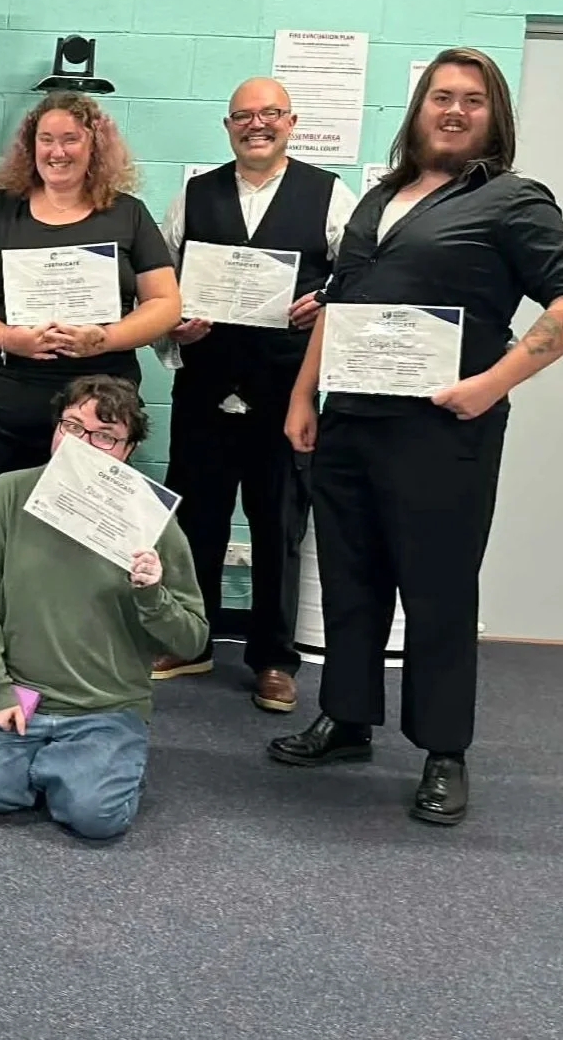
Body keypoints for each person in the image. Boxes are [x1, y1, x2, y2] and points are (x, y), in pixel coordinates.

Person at [269, 47, 563, 825]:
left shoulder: (513, 201)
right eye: (441, 96)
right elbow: (340, 301)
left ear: (495, 118)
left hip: (443, 430)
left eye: (473, 101)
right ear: (418, 108)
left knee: (438, 591)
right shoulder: (378, 199)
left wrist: (492, 384)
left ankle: (444, 750)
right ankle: (347, 718)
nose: (454, 110)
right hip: (350, 422)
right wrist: (301, 393)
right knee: (351, 580)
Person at [0, 91, 181, 717]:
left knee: (85, 537)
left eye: (71, 138)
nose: (58, 151)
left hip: (97, 403)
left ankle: (80, 670)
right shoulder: (2, 210)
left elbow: (165, 305)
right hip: (4, 395)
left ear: (94, 145)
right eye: (46, 139)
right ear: (30, 147)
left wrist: (106, 336)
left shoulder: (126, 214)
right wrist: (4, 336)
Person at [157, 78, 360, 712]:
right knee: (195, 523)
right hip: (204, 388)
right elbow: (161, 280)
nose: (256, 125)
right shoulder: (193, 195)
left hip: (285, 393)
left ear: (291, 122)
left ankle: (274, 659)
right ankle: (191, 642)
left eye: (268, 114)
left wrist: (325, 301)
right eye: (243, 115)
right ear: (227, 126)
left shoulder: (330, 195)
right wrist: (174, 324)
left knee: (279, 526)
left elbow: (363, 272)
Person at [0, 376, 206, 840]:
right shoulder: (7, 494)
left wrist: (152, 594)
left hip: (105, 706)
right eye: (72, 426)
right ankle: (59, 767)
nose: (84, 445)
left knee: (95, 819)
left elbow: (192, 638)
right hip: (20, 693)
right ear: (55, 430)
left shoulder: (153, 521)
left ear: (127, 449)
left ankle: (84, 762)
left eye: (105, 436)